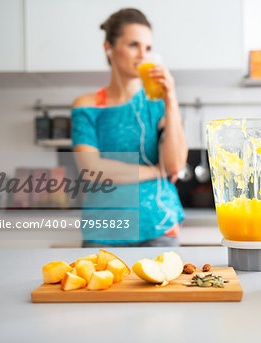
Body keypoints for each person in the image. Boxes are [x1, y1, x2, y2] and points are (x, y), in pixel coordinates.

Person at [71, 8, 188, 247]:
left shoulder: (158, 104)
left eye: (147, 48)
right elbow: (92, 171)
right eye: (133, 45)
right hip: (103, 229)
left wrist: (172, 100)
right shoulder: (87, 106)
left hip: (159, 225)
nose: (142, 55)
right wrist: (157, 171)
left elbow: (175, 164)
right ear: (109, 48)